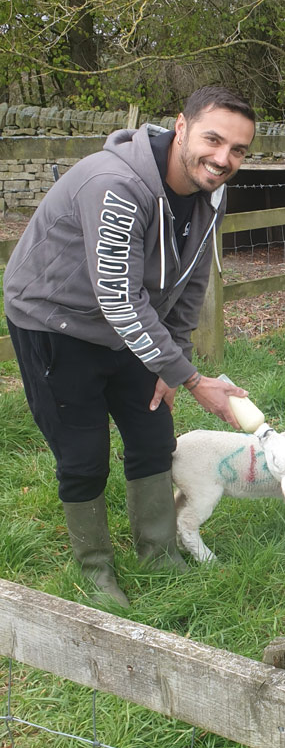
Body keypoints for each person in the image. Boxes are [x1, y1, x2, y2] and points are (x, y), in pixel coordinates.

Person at [4, 86, 258, 607]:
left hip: (132, 323)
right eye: (213, 140)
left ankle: (159, 552)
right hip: (58, 323)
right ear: (181, 128)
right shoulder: (116, 183)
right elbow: (117, 296)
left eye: (239, 150)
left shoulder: (212, 189)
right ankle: (94, 571)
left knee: (152, 434)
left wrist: (174, 357)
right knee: (83, 453)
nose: (223, 159)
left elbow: (190, 280)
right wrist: (190, 377)